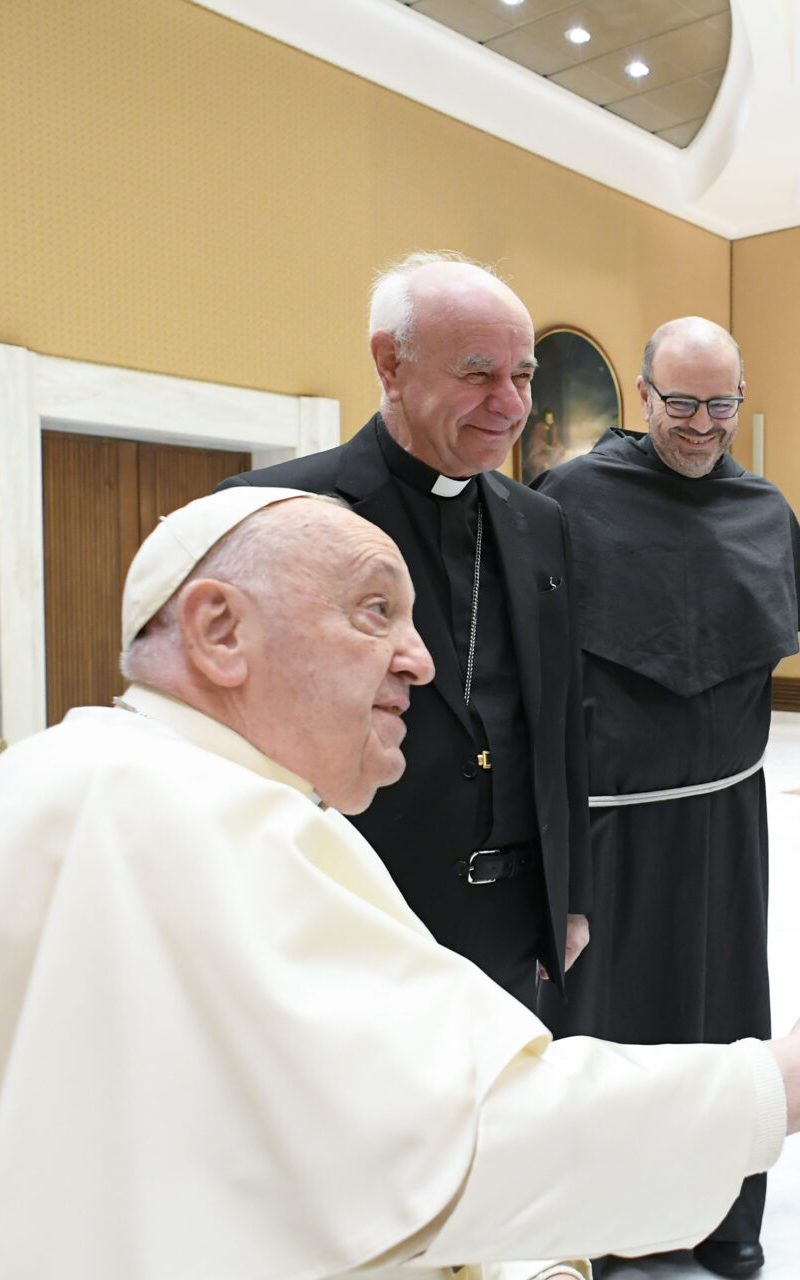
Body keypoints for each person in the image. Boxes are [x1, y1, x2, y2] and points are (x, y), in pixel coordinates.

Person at [0, 488, 800, 1280]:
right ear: (217, 630)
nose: (419, 660)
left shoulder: (64, 777)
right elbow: (461, 1138)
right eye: (374, 610)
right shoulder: (206, 817)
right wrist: (795, 1077)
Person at [532, 316, 800, 1279]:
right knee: (614, 1023)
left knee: (727, 1008)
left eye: (723, 404)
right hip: (612, 823)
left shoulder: (764, 507)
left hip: (727, 816)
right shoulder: (570, 499)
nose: (703, 424)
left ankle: (728, 1213)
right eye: (683, 403)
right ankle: (615, 1225)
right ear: (645, 398)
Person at [223, 252, 589, 1016]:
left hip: (513, 923)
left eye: (522, 376)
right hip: (353, 913)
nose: (510, 404)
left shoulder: (539, 522)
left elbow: (560, 719)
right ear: (391, 363)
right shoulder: (276, 511)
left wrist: (571, 898)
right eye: (479, 374)